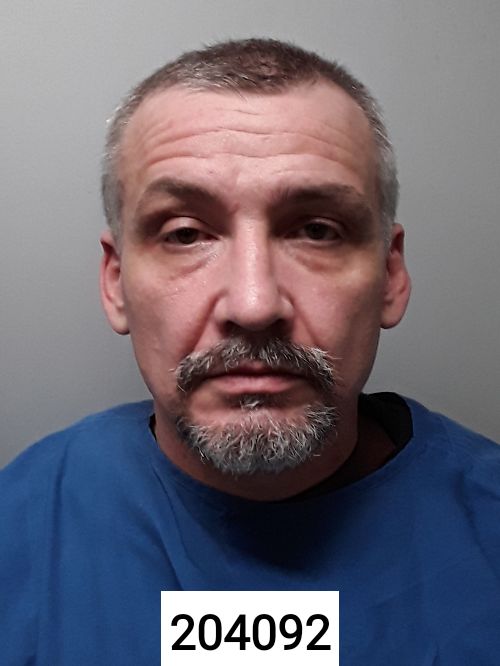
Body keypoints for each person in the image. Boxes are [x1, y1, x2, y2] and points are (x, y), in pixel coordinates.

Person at [1, 38, 499, 665]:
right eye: (186, 234)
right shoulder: (19, 525)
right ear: (115, 282)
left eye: (316, 230)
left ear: (390, 278)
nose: (255, 303)